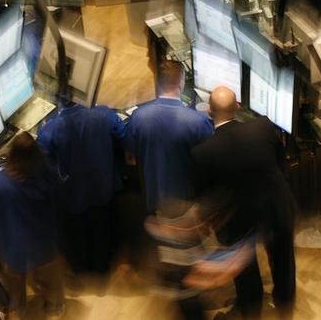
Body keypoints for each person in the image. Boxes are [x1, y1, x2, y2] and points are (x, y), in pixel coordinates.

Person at [191, 86, 296, 318]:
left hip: (238, 218)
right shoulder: (264, 126)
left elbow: (205, 194)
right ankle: (285, 306)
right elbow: (281, 164)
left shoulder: (202, 153)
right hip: (276, 207)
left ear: (209, 111)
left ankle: (251, 308)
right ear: (237, 106)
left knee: (245, 270)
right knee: (283, 261)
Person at [0, 132, 64, 319]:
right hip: (44, 240)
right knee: (50, 280)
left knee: (15, 291)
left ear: (13, 155)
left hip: (14, 248)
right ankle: (54, 309)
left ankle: (19, 314)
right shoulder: (47, 171)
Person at [37, 100, 125, 274]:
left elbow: (43, 166)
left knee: (77, 237)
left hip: (72, 195)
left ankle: (81, 273)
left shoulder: (49, 130)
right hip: (102, 188)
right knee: (102, 232)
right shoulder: (104, 114)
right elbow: (123, 135)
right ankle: (101, 273)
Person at [125, 60, 213, 212]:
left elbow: (130, 151)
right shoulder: (199, 122)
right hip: (185, 205)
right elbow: (210, 162)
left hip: (151, 199)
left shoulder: (138, 116)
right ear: (181, 83)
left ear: (158, 82)